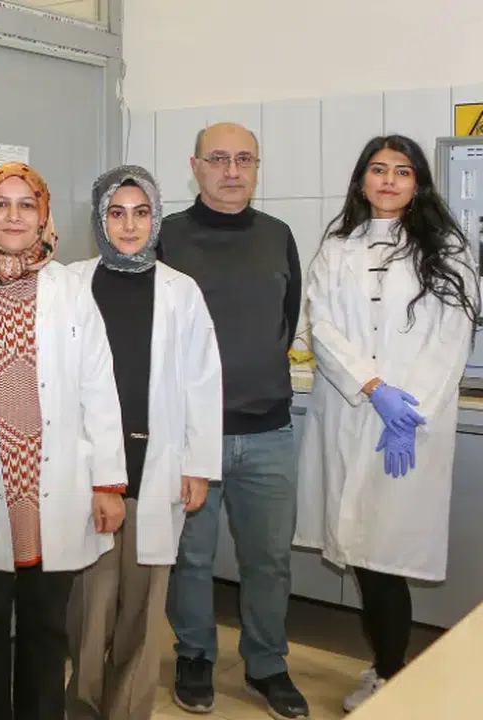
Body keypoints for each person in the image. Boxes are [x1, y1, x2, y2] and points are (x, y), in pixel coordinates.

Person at [294, 134, 478, 713]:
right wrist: (374, 389)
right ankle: (386, 669)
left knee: (385, 555)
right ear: (362, 181)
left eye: (402, 171)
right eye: (378, 169)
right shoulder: (336, 250)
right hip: (352, 414)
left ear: (418, 183)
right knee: (362, 552)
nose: (389, 180)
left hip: (410, 425)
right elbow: (322, 327)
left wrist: (407, 407)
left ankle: (390, 670)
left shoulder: (446, 249)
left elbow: (452, 339)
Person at [0, 161, 128, 720]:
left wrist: (107, 482)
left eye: (27, 205)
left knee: (46, 631)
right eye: (1, 204)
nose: (14, 216)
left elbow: (99, 386)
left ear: (44, 216)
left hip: (54, 484)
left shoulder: (71, 290)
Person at [158, 121, 310, 719]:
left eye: (244, 159)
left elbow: (284, 320)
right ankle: (194, 655)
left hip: (268, 430)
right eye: (218, 159)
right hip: (191, 433)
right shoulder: (168, 236)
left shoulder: (278, 236)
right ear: (195, 167)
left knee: (269, 559)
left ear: (256, 167)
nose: (231, 171)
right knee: (191, 558)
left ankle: (267, 663)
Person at [64, 165, 225, 720]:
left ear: (156, 219)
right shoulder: (70, 283)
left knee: (142, 609)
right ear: (99, 218)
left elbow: (203, 381)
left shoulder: (181, 292)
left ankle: (128, 711)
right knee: (89, 610)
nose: (129, 225)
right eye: (116, 213)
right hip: (89, 475)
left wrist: (197, 464)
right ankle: (83, 708)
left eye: (141, 213)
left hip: (155, 471)